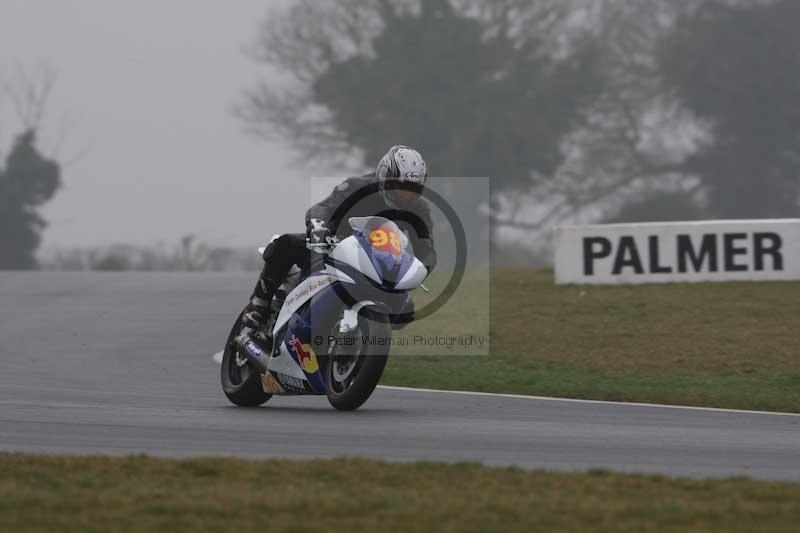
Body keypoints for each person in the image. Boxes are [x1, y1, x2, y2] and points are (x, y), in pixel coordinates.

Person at [242, 145, 437, 330]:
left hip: (377, 263)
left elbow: (427, 248)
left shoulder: (419, 209)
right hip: (331, 247)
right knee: (285, 244)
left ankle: (361, 337)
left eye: (412, 190)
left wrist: (418, 270)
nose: (404, 195)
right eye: (399, 186)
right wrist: (319, 226)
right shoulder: (356, 186)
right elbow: (323, 208)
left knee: (405, 307)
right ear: (384, 176)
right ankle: (259, 303)